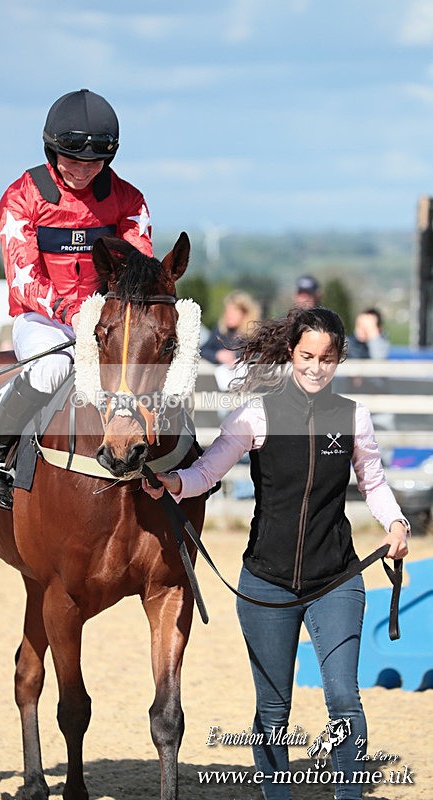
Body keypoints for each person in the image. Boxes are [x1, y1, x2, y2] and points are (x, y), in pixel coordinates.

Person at [142, 306, 409, 800]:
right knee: (272, 710)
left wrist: (395, 522)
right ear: (292, 353)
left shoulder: (353, 416)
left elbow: (373, 482)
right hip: (266, 584)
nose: (315, 367)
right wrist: (175, 483)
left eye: (326, 358)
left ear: (339, 358)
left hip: (337, 580)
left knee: (345, 701)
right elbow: (208, 471)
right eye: (306, 355)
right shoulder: (255, 414)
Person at [0, 89, 153, 510]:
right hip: (43, 318)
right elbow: (24, 280)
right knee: (52, 370)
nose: (84, 170)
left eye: (95, 162)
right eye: (73, 160)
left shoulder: (129, 199)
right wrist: (73, 313)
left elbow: (137, 274)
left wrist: (103, 316)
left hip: (103, 319)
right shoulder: (22, 196)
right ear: (52, 150)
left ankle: (180, 458)